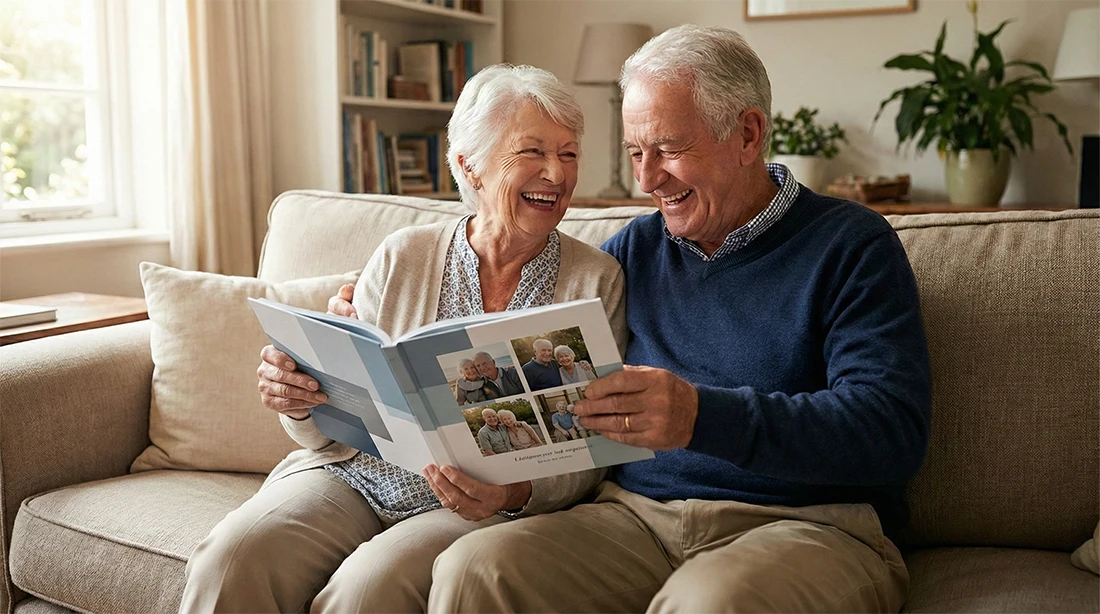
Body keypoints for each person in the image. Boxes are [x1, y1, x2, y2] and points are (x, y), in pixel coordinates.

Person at [428, 25, 932, 614]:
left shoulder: (852, 246)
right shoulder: (633, 252)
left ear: (747, 135)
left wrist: (701, 416)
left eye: (667, 149)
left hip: (807, 525)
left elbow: (891, 432)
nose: (646, 180)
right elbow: (526, 318)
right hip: (637, 520)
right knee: (475, 569)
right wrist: (358, 298)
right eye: (635, 153)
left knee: (707, 603)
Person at [179, 64, 627, 614]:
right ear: (470, 165)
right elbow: (329, 426)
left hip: (475, 503)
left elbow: (595, 451)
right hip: (352, 472)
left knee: (368, 587)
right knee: (233, 555)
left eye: (568, 153)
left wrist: (513, 493)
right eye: (532, 152)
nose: (556, 174)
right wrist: (298, 402)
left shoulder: (597, 280)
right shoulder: (402, 255)